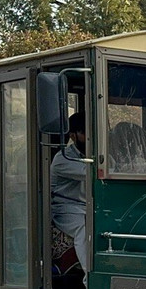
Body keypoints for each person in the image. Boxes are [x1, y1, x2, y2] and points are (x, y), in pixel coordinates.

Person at [51, 112, 89, 271]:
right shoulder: (63, 158)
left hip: (88, 207)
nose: (90, 137)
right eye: (85, 133)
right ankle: (90, 276)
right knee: (84, 229)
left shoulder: (95, 154)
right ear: (73, 136)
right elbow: (90, 173)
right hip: (65, 209)